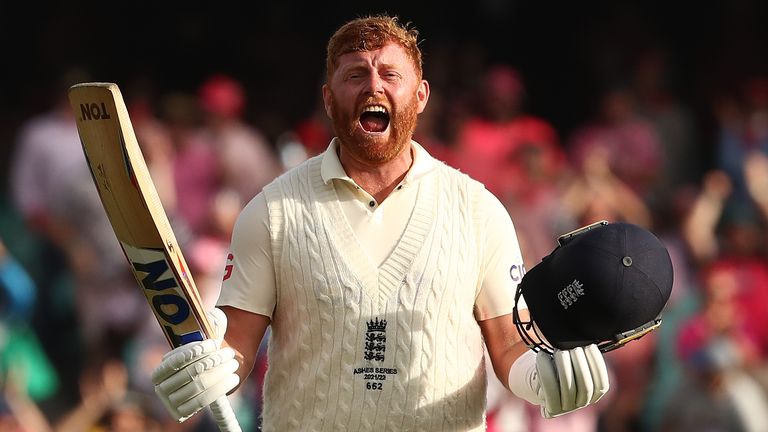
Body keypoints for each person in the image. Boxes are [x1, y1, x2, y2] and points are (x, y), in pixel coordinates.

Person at [151, 15, 611, 431]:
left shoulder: (478, 210)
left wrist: (548, 379)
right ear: (329, 100)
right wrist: (206, 372)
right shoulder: (273, 211)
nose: (374, 86)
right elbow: (235, 349)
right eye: (356, 75)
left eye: (390, 74)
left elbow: (512, 349)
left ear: (421, 95)